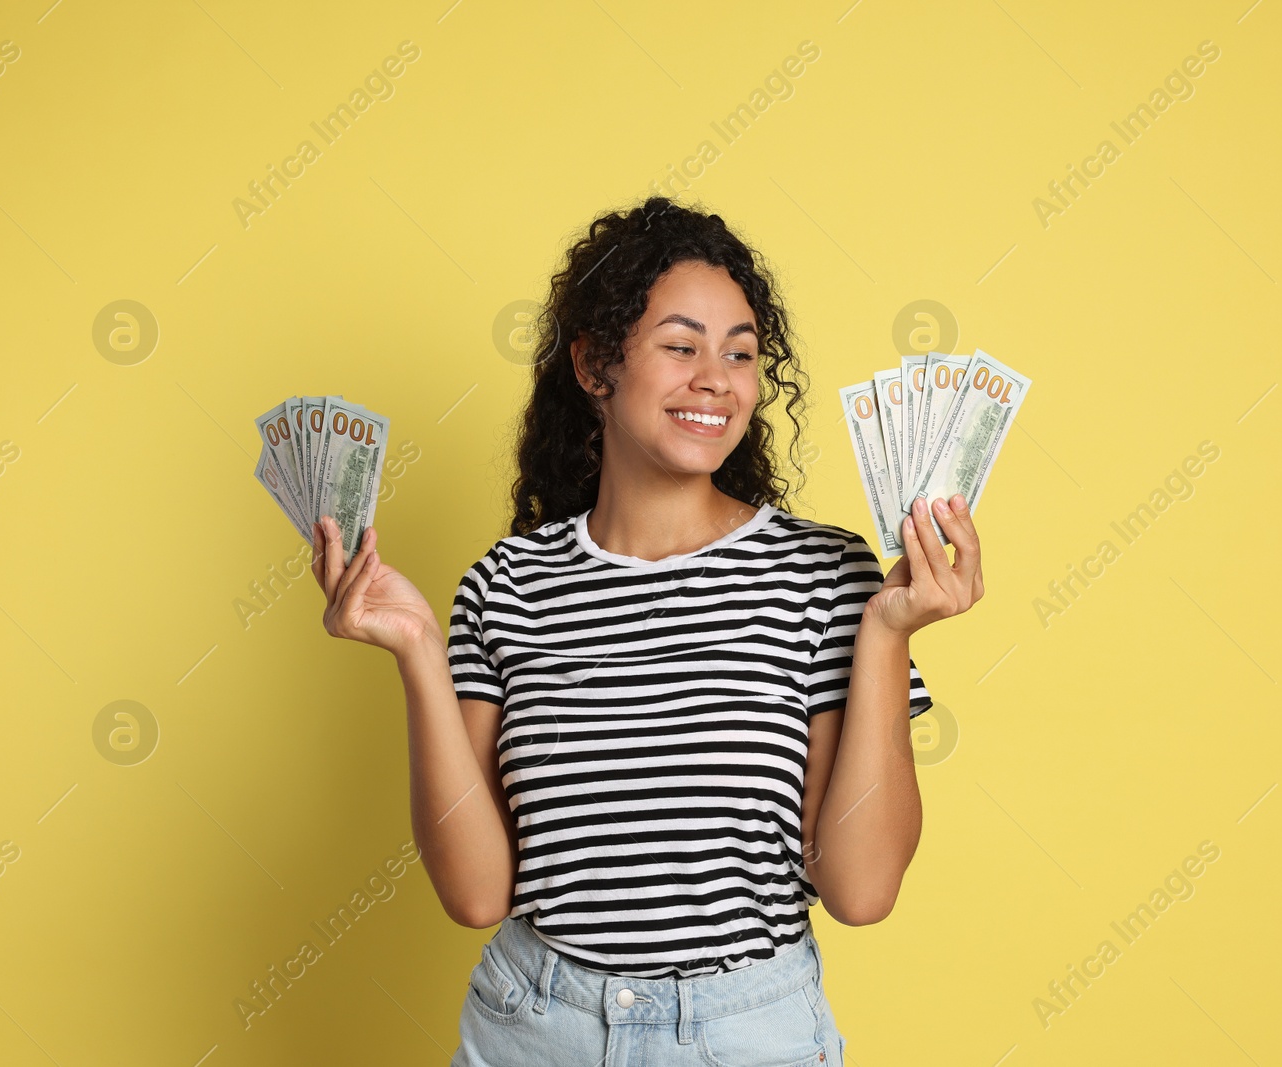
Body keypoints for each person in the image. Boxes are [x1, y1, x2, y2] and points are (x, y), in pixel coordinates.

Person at [310, 196, 984, 1066]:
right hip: (533, 1025)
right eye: (681, 345)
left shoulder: (824, 577)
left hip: (745, 1031)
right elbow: (478, 894)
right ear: (595, 365)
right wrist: (415, 651)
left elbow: (860, 890)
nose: (717, 377)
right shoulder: (506, 586)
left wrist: (887, 633)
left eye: (740, 352)